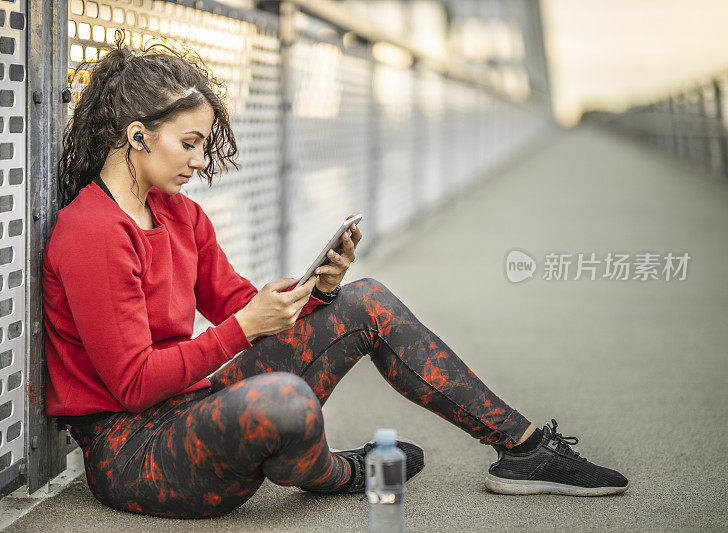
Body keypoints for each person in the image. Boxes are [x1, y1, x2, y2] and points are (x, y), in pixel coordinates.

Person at [42, 31, 629, 520]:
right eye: (189, 144)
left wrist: (317, 292)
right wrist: (244, 327)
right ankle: (339, 471)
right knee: (285, 403)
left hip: (193, 409)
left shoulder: (180, 213)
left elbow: (240, 307)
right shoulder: (93, 233)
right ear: (137, 135)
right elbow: (134, 385)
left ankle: (524, 450)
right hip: (135, 452)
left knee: (365, 299)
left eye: (205, 145)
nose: (200, 160)